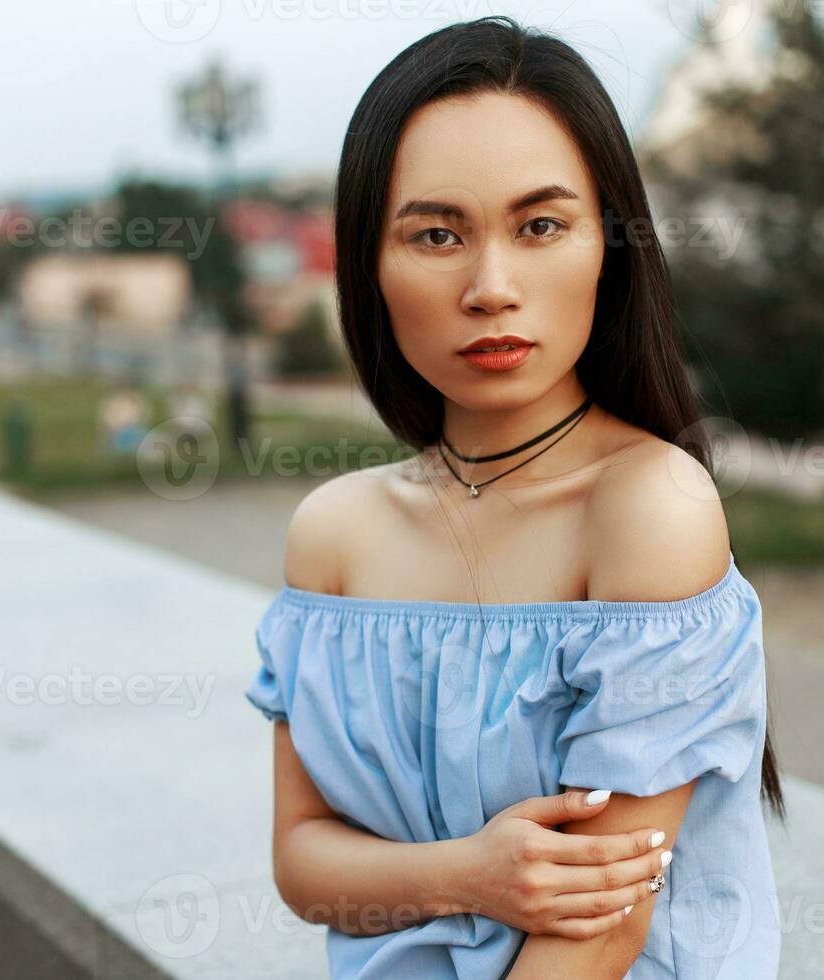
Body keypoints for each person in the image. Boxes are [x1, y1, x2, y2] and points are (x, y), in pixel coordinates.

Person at [245, 16, 782, 979]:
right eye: (438, 234)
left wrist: (441, 878)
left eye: (541, 226)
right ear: (370, 263)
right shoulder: (333, 534)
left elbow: (604, 924)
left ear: (610, 245)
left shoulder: (652, 506)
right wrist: (476, 875)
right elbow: (302, 863)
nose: (492, 287)